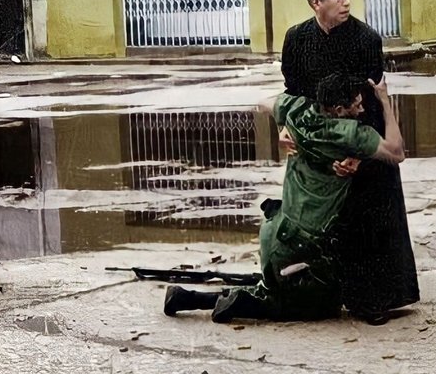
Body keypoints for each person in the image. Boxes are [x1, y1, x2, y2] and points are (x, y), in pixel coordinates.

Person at [163, 71, 404, 324]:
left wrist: (284, 126)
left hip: (275, 229)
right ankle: (244, 304)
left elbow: (263, 102)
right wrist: (385, 100)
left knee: (273, 288)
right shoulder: (349, 133)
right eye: (356, 105)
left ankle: (185, 297)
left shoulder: (298, 108)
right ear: (338, 109)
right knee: (315, 306)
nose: (362, 109)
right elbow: (396, 152)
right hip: (302, 244)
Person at [279, 0, 419, 325]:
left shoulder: (366, 39)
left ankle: (374, 297)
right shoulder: (296, 39)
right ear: (316, 2)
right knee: (317, 220)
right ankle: (325, 291)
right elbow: (291, 95)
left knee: (369, 208)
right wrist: (284, 128)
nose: (346, 2)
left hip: (363, 137)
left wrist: (357, 155)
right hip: (318, 145)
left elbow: (371, 104)